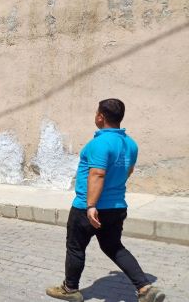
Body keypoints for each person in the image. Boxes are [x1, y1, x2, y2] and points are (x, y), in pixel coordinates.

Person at [46, 99, 165, 302]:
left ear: (101, 116)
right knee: (113, 247)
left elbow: (98, 174)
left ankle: (70, 289)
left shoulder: (99, 143)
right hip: (116, 206)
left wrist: (91, 206)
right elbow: (127, 171)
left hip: (88, 207)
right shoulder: (131, 144)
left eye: (96, 113)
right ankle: (145, 288)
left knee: (75, 247)